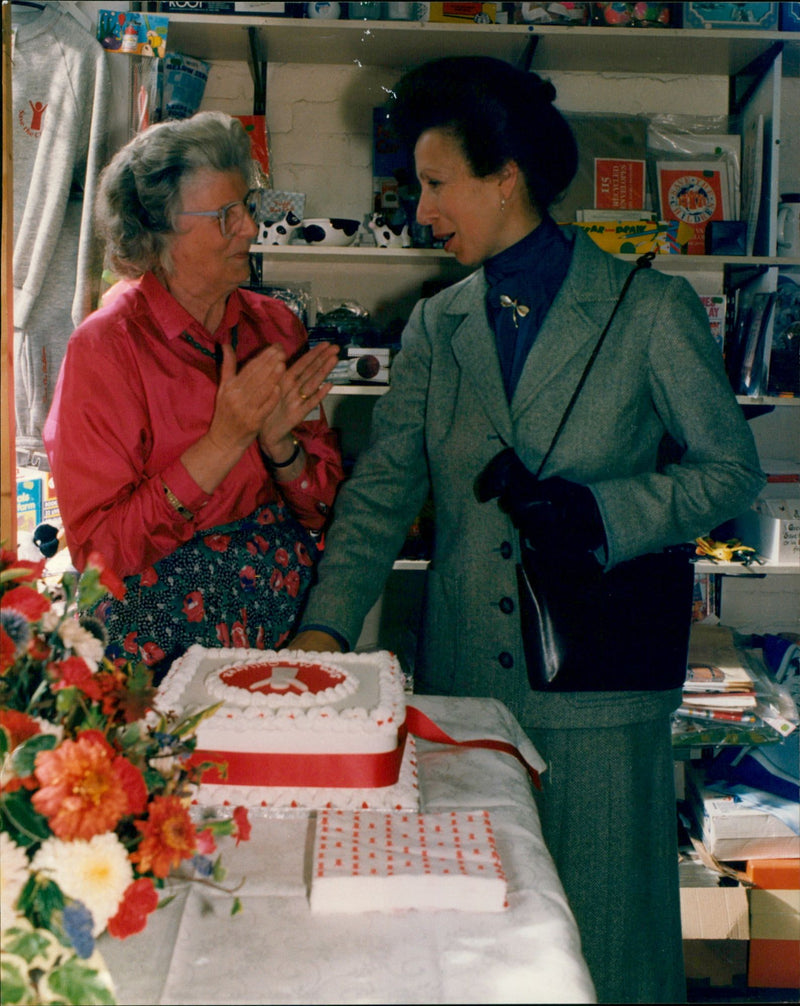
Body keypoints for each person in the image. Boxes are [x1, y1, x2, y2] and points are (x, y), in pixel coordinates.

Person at [289, 57, 765, 1003]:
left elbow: (730, 472)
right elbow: (382, 492)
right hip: (468, 695)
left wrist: (606, 512)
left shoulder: (649, 310)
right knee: (477, 946)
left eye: (434, 184)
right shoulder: (437, 325)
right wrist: (325, 635)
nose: (421, 212)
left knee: (610, 946)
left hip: (599, 692)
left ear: (504, 176)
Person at [44, 111, 344, 678]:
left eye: (247, 209)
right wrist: (224, 442)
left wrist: (282, 450)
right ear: (158, 233)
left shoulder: (275, 328)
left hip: (281, 641)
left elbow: (324, 518)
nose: (250, 230)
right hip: (157, 660)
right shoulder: (106, 349)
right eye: (225, 216)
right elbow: (102, 556)